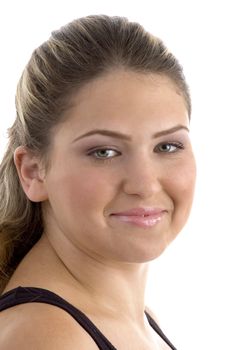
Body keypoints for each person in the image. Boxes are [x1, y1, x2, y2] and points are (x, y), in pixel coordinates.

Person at [0, 15, 196, 349]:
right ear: (33, 171)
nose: (145, 185)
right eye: (104, 151)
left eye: (167, 146)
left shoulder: (136, 319)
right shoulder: (46, 337)